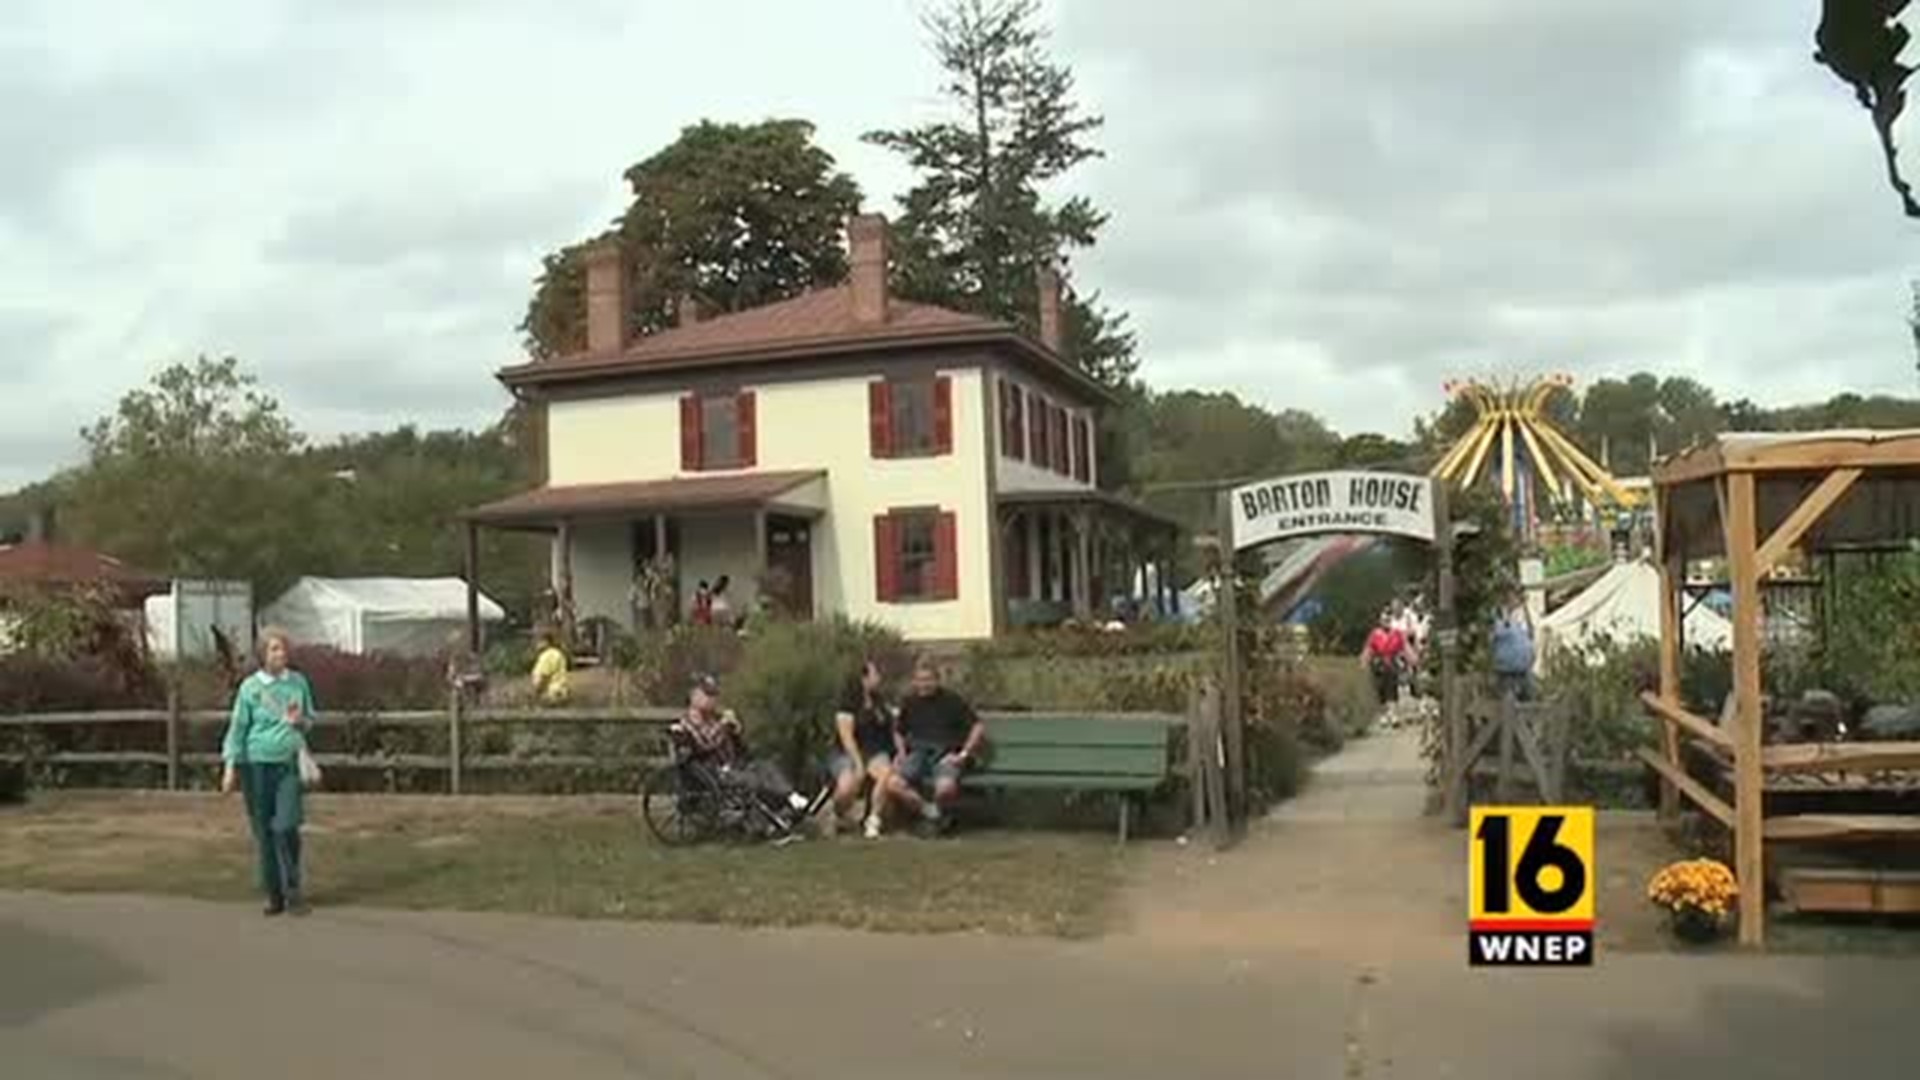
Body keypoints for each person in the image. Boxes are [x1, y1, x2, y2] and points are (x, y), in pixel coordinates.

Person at [220, 628, 317, 916]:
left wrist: (301, 721)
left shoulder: (298, 682)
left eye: (283, 648)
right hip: (256, 765)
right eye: (275, 649)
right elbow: (238, 729)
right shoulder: (250, 688)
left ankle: (293, 889)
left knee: (285, 826)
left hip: (287, 763)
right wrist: (230, 768)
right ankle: (274, 894)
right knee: (264, 831)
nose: (281, 653)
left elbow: (310, 719)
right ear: (263, 654)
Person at [678, 675, 815, 835]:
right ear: (694, 695)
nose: (712, 700)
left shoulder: (713, 719)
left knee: (766, 767)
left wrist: (736, 731)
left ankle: (792, 798)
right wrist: (722, 726)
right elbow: (705, 744)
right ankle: (767, 821)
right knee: (754, 780)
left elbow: (740, 748)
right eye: (708, 695)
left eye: (714, 696)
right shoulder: (687, 723)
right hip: (714, 772)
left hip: (734, 765)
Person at [886, 658, 985, 834]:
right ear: (914, 681)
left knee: (945, 789)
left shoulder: (952, 700)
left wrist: (963, 754)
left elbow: (977, 727)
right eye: (920, 680)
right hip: (918, 754)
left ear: (937, 680)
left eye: (928, 680)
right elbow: (898, 731)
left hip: (945, 754)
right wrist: (901, 754)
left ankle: (933, 821)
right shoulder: (910, 702)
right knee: (893, 784)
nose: (924, 685)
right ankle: (930, 812)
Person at [828, 660, 895, 839]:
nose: (878, 678)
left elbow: (889, 726)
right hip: (847, 752)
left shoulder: (879, 701)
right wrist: (858, 763)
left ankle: (873, 819)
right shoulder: (847, 704)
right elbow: (846, 737)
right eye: (875, 674)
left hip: (874, 751)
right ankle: (837, 813)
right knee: (848, 786)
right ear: (863, 679)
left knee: (886, 775)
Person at [1491, 603, 1537, 702]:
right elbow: (1496, 631)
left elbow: (1530, 633)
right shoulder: (1499, 621)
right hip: (1507, 674)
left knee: (1529, 706)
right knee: (1508, 707)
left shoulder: (1520, 619)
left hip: (1524, 673)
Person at [1360, 611, 1407, 707]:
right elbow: (1368, 649)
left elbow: (1404, 648)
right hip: (1380, 664)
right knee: (1380, 688)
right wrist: (1364, 661)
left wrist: (1407, 661)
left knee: (1392, 687)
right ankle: (1382, 706)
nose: (1386, 622)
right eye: (1384, 620)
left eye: (1388, 620)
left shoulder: (1397, 634)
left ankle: (1392, 706)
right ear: (1380, 621)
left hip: (1393, 663)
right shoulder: (1375, 634)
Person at [530, 626, 570, 705]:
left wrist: (536, 694)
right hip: (560, 691)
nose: (536, 644)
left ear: (546, 642)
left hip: (550, 693)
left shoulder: (547, 656)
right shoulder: (558, 653)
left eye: (538, 641)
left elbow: (544, 677)